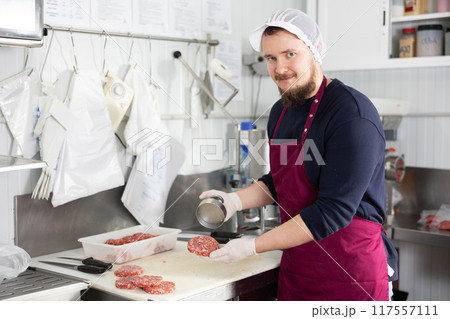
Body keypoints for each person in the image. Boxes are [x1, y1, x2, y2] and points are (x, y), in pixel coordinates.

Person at [199, 8, 398, 301]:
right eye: (271, 58)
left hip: (350, 274)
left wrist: (253, 246)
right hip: (299, 269)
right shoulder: (281, 112)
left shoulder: (350, 113)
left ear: (315, 50)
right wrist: (233, 201)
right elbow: (281, 180)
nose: (280, 69)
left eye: (290, 54)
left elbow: (333, 211)